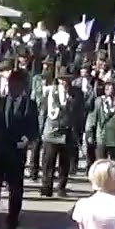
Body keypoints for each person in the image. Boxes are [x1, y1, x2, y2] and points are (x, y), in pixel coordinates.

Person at [0, 68, 39, 229]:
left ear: (23, 87)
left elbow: (34, 129)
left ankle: (12, 220)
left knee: (15, 189)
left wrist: (27, 139)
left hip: (16, 153)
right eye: (11, 84)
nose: (13, 88)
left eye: (17, 85)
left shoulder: (29, 105)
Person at [39, 67, 78, 198]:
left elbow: (78, 112)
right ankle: (46, 186)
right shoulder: (50, 92)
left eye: (67, 79)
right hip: (51, 131)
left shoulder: (75, 93)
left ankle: (61, 187)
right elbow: (43, 111)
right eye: (62, 79)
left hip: (66, 131)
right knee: (48, 162)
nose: (64, 82)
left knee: (64, 163)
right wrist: (40, 129)